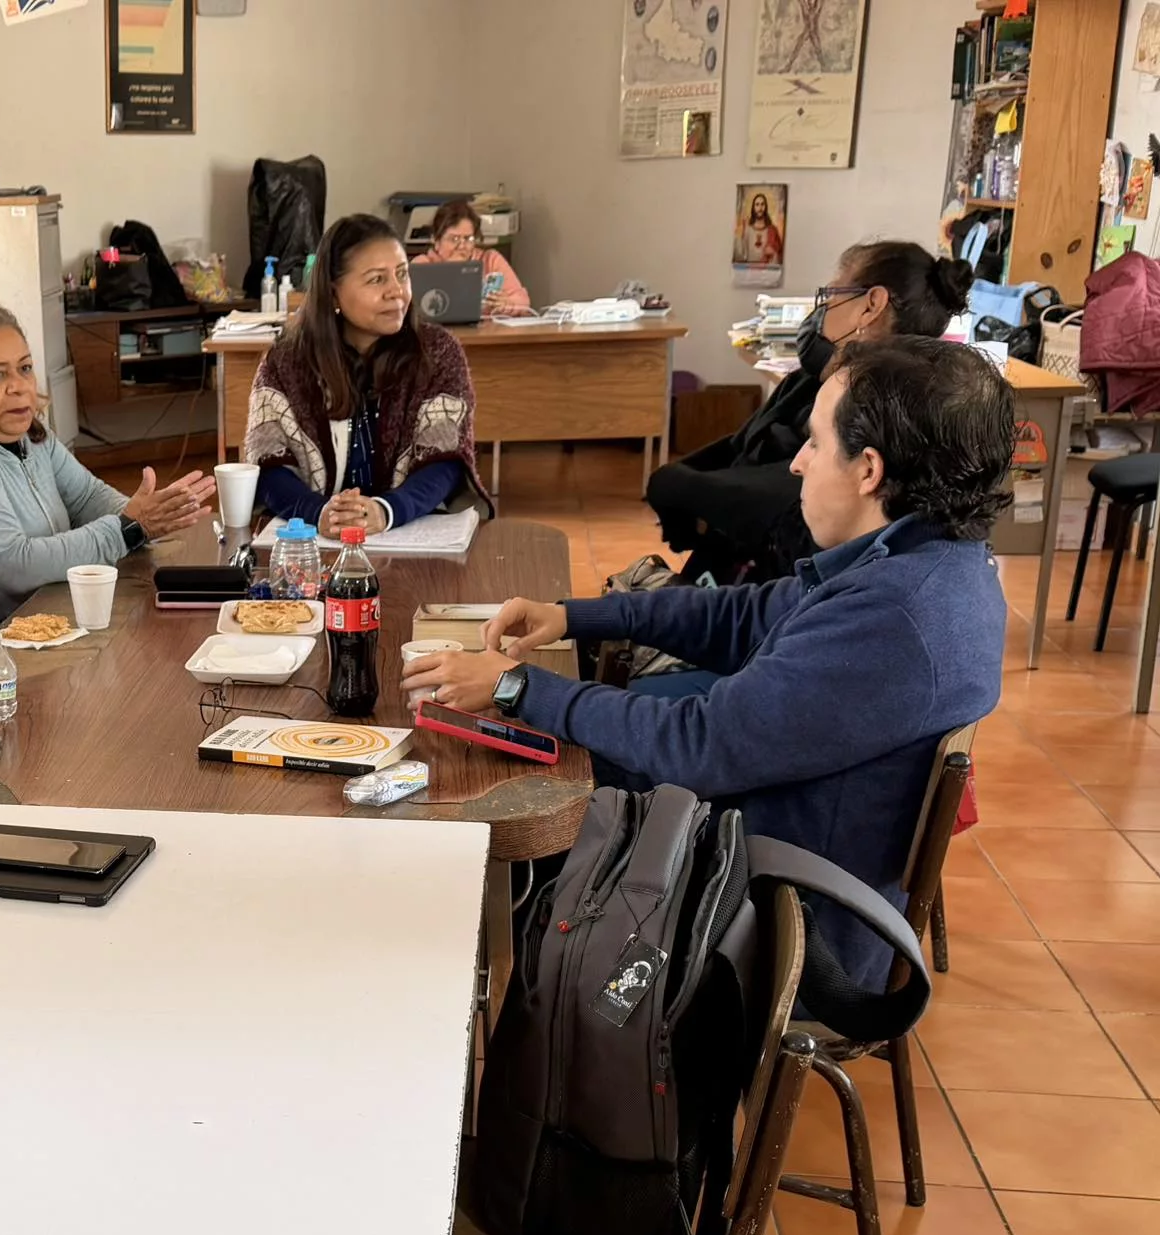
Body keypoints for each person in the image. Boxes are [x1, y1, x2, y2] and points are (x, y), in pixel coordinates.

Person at [403, 336, 1009, 988]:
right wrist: (577, 617)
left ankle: (503, 1003)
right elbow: (744, 617)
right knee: (553, 758)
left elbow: (698, 746)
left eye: (814, 442)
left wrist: (517, 687)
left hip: (778, 928)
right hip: (779, 862)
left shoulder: (892, 620)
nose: (798, 462)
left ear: (868, 470)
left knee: (519, 792)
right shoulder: (928, 563)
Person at [649, 239, 974, 584]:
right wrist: (680, 481)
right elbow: (744, 445)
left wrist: (679, 487)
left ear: (871, 305)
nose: (821, 310)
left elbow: (788, 496)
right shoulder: (808, 381)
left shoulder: (883, 409)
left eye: (832, 295)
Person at [0, 303, 216, 629]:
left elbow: (86, 497)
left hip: (48, 615)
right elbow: (15, 565)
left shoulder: (26, 433)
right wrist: (130, 529)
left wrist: (150, 515)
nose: (19, 386)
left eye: (25, 368)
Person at [244, 213, 482, 539]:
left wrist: (386, 510)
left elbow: (446, 460)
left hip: (408, 532)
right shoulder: (286, 359)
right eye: (376, 279)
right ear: (333, 292)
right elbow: (267, 465)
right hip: (312, 543)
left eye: (402, 274)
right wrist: (318, 513)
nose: (396, 291)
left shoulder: (437, 351)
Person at [410, 198, 532, 315]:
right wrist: (453, 270)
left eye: (468, 239)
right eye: (454, 239)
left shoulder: (490, 260)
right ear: (436, 240)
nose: (462, 246)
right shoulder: (422, 265)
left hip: (487, 328)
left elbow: (523, 301)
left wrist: (507, 304)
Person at [736, 191, 785, 268]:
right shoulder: (747, 229)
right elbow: (741, 254)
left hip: (767, 270)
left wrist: (773, 252)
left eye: (762, 204)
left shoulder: (772, 230)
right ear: (753, 208)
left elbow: (780, 255)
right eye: (757, 204)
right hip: (749, 270)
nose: (760, 208)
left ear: (766, 207)